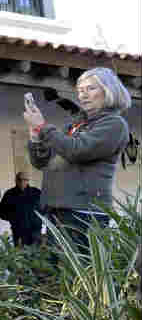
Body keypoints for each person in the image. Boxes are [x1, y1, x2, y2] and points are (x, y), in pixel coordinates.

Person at [24, 67, 131, 244]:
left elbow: (77, 150)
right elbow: (42, 162)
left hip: (84, 213)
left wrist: (43, 127)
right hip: (57, 210)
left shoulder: (114, 124)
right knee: (55, 271)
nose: (83, 95)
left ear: (108, 90)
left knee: (78, 272)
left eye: (91, 88)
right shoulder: (73, 126)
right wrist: (36, 137)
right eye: (80, 90)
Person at [0, 172, 42, 246]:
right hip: (18, 232)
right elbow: (2, 213)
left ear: (28, 180)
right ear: (15, 180)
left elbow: (44, 209)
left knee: (37, 255)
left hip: (35, 232)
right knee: (20, 255)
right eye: (19, 179)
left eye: (25, 180)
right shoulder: (9, 194)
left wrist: (37, 220)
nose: (22, 182)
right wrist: (15, 219)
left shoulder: (36, 193)